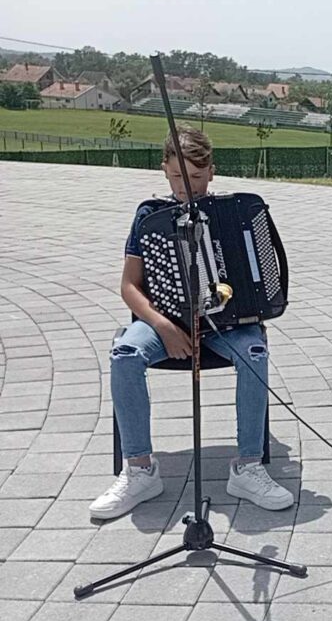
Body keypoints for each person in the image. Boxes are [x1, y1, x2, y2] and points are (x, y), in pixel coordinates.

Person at [89, 127, 294, 520]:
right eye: (177, 177)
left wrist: (257, 309)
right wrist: (164, 326)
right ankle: (140, 471)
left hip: (225, 326)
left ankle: (248, 467)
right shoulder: (149, 215)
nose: (187, 186)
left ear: (212, 171)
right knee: (125, 353)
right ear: (163, 170)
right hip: (162, 321)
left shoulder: (233, 211)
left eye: (197, 177)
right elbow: (129, 286)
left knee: (254, 351)